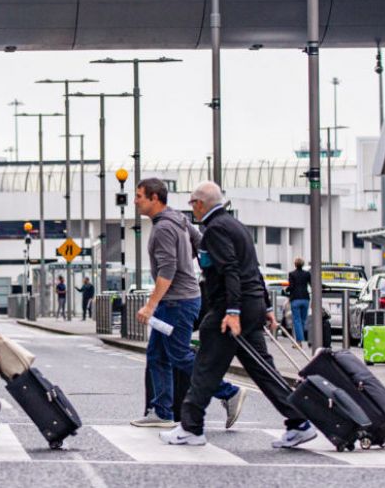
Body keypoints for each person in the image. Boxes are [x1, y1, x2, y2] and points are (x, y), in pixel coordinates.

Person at [161, 181, 315, 448]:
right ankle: (298, 421)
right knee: (263, 370)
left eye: (192, 204)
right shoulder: (236, 225)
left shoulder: (215, 230)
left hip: (231, 311)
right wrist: (265, 306)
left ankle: (191, 427)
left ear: (199, 203)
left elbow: (230, 270)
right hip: (250, 306)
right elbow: (252, 269)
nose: (192, 209)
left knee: (205, 367)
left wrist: (232, 312)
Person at [132, 178, 246, 429]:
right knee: (156, 355)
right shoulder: (179, 219)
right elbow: (201, 243)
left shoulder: (163, 228)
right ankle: (161, 411)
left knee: (180, 355)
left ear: (154, 198)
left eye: (139, 196)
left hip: (177, 303)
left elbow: (168, 270)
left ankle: (229, 393)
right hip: (180, 300)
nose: (135, 201)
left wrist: (150, 305)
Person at [286, 257, 310, 348]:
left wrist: (286, 289)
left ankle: (299, 342)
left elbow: (291, 286)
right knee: (303, 320)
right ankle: (300, 340)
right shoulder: (307, 274)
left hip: (295, 299)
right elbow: (312, 284)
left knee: (297, 321)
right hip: (305, 298)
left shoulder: (292, 274)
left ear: (295, 264)